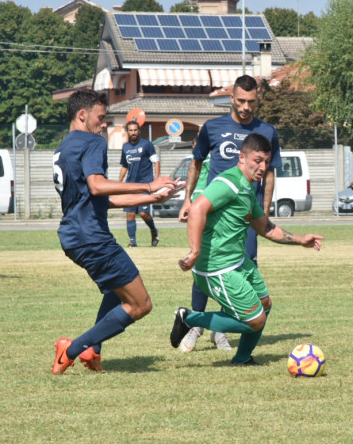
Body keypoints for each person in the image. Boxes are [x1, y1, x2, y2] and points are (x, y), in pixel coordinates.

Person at [51, 89, 180, 375]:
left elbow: (99, 199)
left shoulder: (64, 147)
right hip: (92, 236)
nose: (105, 123)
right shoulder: (93, 141)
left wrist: (152, 198)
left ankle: (93, 351)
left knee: (114, 289)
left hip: (75, 236)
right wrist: (148, 184)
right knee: (141, 304)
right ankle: (71, 350)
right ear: (83, 115)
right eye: (101, 117)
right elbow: (98, 185)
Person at [171, 133, 323, 365]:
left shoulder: (247, 187)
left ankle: (242, 358)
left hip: (238, 262)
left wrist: (301, 239)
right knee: (256, 320)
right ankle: (190, 319)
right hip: (217, 268)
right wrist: (195, 251)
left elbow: (265, 227)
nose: (262, 167)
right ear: (242, 157)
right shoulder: (228, 182)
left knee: (265, 304)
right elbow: (197, 209)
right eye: (257, 160)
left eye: (266, 162)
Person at [177, 75, 282, 352]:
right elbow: (196, 163)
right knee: (210, 266)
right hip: (217, 211)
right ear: (232, 99)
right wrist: (188, 199)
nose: (246, 106)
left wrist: (266, 212)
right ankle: (194, 326)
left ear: (257, 100)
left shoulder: (267, 131)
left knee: (242, 269)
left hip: (247, 213)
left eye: (251, 101)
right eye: (241, 100)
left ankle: (220, 329)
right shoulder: (212, 128)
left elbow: (270, 174)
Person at [178, 139, 232, 352]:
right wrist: (188, 204)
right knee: (201, 269)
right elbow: (196, 195)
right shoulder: (199, 162)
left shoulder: (231, 160)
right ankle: (196, 324)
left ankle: (220, 329)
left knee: (232, 271)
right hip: (205, 222)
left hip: (231, 222)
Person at [119, 121, 161, 247]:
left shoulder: (146, 144)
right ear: (128, 132)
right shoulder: (125, 147)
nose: (133, 132)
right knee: (130, 213)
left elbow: (156, 161)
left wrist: (156, 181)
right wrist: (118, 184)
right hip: (130, 186)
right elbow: (124, 166)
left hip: (145, 184)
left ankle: (153, 231)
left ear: (139, 131)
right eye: (131, 130)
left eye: (135, 130)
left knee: (143, 213)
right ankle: (133, 242)